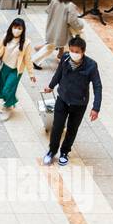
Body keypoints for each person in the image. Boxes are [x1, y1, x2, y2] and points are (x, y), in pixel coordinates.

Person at [43, 34, 102, 166]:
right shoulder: (64, 58)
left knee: (72, 129)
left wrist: (96, 108)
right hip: (62, 99)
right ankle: (52, 151)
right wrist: (51, 86)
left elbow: (97, 86)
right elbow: (58, 74)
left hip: (79, 104)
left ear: (83, 52)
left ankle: (64, 152)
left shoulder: (91, 66)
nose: (74, 54)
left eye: (77, 52)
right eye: (72, 51)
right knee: (57, 127)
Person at [0, 17, 36, 121]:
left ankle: (8, 106)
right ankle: (11, 101)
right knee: (3, 88)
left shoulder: (26, 43)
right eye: (15, 27)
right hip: (4, 67)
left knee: (7, 89)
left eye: (19, 28)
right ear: (11, 27)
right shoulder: (6, 36)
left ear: (23, 30)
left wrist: (31, 74)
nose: (16, 30)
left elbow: (28, 59)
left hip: (15, 70)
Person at [33, 0, 83, 69]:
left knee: (51, 45)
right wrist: (80, 25)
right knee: (57, 46)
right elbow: (73, 21)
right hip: (61, 32)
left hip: (52, 29)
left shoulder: (55, 0)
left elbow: (48, 10)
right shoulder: (70, 6)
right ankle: (36, 60)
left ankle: (39, 59)